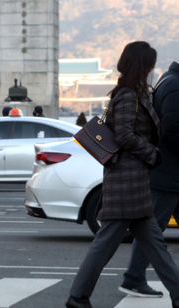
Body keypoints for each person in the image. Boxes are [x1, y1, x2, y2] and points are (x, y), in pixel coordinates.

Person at [66, 41, 179, 308]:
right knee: (104, 245)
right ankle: (77, 296)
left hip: (134, 180)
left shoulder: (135, 92)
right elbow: (125, 135)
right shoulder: (128, 95)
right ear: (142, 65)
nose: (153, 68)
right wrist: (152, 153)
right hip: (126, 181)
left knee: (156, 246)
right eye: (150, 64)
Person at [118, 61, 179, 298]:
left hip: (168, 173)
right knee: (151, 231)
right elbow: (173, 130)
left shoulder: (168, 81)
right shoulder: (174, 86)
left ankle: (133, 277)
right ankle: (133, 278)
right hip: (169, 175)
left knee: (151, 230)